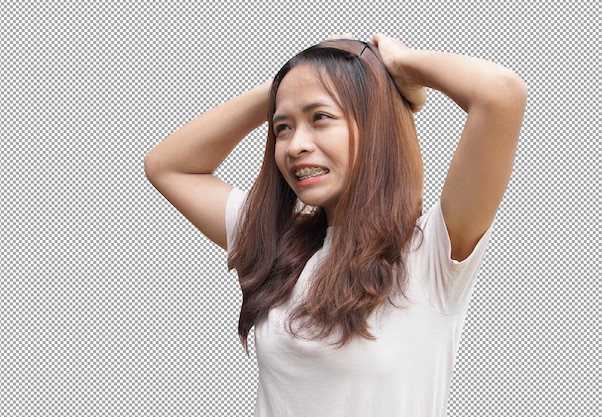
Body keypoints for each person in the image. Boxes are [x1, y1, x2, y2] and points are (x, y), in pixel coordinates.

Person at [144, 33, 527, 417]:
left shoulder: (432, 253)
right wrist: (294, 79)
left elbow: (501, 94)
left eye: (320, 118)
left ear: (374, 123)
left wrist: (397, 67)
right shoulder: (281, 243)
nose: (295, 146)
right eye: (283, 128)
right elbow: (166, 167)